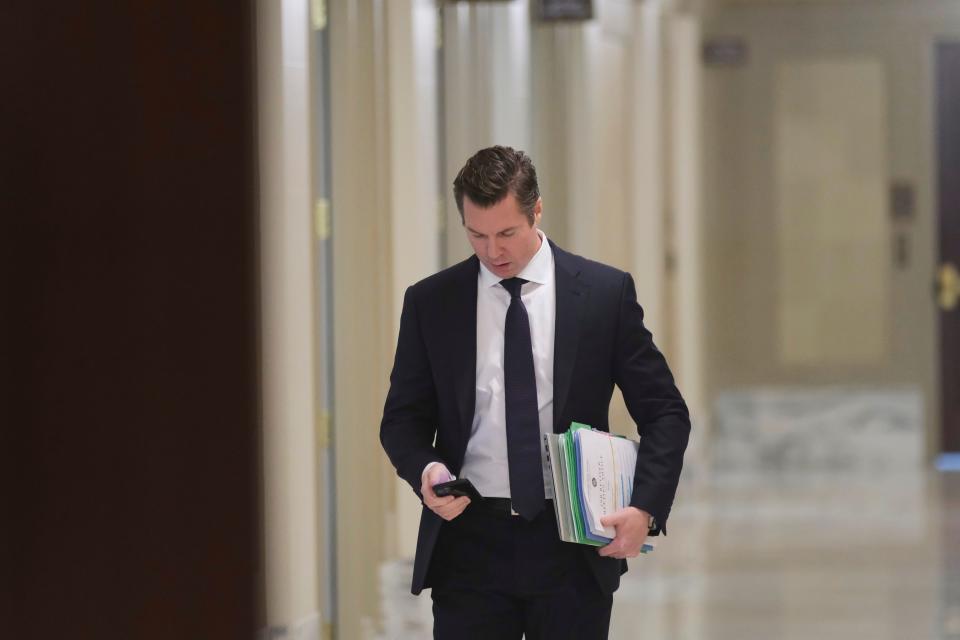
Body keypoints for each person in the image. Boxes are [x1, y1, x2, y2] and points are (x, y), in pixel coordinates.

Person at [380, 145, 690, 639]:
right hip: (468, 541)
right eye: (476, 234)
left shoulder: (603, 295)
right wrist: (428, 470)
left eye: (507, 233)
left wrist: (645, 506)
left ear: (537, 210)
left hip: (570, 542)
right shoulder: (432, 303)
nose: (493, 251)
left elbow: (666, 413)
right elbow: (401, 420)